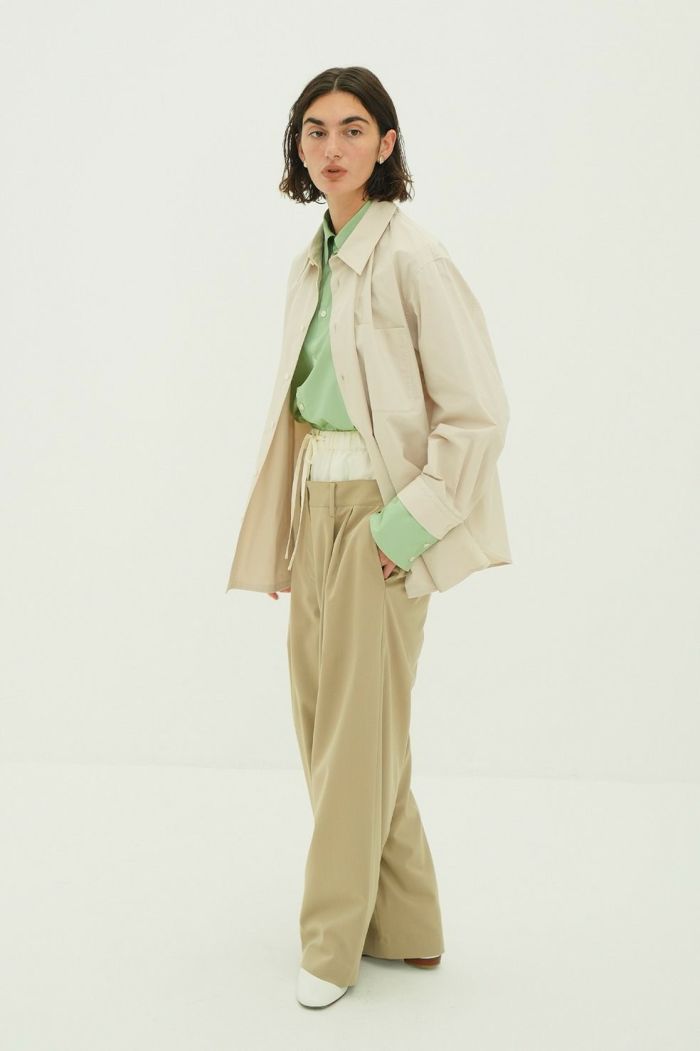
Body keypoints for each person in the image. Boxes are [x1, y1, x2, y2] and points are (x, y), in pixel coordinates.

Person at [225, 66, 512, 1009]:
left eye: (353, 128)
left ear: (387, 144)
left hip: (382, 518)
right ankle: (409, 922)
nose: (332, 146)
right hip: (319, 507)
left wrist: (401, 529)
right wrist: (292, 533)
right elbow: (304, 410)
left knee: (353, 739)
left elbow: (477, 415)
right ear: (297, 148)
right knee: (337, 728)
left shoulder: (412, 257)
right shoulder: (314, 256)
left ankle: (332, 941)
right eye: (315, 130)